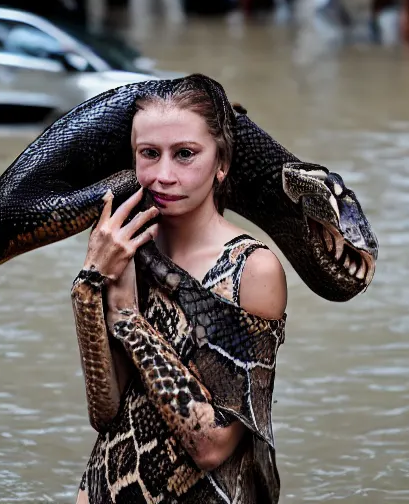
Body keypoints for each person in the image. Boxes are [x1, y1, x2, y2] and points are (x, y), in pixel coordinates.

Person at [70, 77, 287, 503]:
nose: (163, 175)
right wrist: (89, 285)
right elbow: (105, 412)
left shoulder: (252, 270)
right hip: (105, 489)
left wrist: (128, 319)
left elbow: (211, 444)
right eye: (149, 154)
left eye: (185, 154)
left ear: (220, 163)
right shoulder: (124, 246)